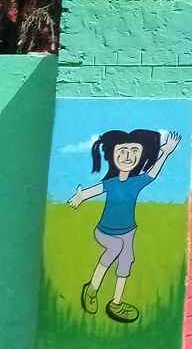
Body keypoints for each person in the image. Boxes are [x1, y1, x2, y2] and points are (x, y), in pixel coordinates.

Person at [69, 127, 181, 324]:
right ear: (113, 155)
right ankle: (92, 289)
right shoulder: (111, 183)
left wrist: (165, 153)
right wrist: (80, 196)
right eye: (122, 152)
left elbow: (153, 173)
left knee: (126, 261)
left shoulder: (136, 182)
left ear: (141, 155)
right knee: (115, 247)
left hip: (128, 231)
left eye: (133, 152)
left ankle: (116, 302)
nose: (128, 157)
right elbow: (91, 191)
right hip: (105, 231)